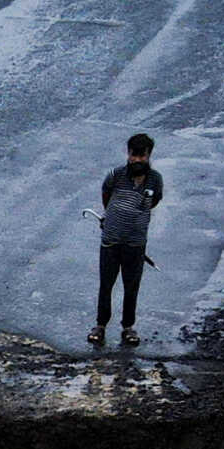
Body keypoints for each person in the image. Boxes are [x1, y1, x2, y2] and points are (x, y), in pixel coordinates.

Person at [90, 131, 164, 349]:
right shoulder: (115, 175)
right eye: (134, 155)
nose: (138, 160)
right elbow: (106, 195)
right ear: (128, 154)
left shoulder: (155, 180)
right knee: (106, 284)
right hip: (111, 242)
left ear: (149, 156)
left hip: (136, 243)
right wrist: (114, 217)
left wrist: (135, 217)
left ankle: (128, 328)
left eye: (142, 156)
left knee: (131, 286)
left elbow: (155, 200)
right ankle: (100, 326)